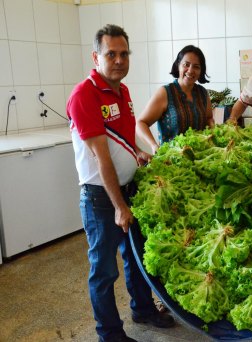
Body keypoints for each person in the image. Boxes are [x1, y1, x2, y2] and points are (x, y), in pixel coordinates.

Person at [67, 24, 175, 342]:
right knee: (104, 270)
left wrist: (139, 153)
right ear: (96, 56)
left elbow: (124, 140)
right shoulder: (85, 95)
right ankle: (110, 334)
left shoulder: (122, 91)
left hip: (127, 188)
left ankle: (143, 309)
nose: (118, 60)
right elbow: (102, 159)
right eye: (111, 54)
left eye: (124, 53)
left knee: (137, 257)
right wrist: (119, 207)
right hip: (102, 197)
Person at [136, 45, 214, 153]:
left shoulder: (203, 93)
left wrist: (214, 132)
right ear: (178, 65)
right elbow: (141, 123)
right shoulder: (165, 93)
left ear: (201, 71)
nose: (190, 70)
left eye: (196, 67)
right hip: (171, 161)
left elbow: (209, 118)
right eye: (186, 65)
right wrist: (153, 145)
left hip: (200, 159)